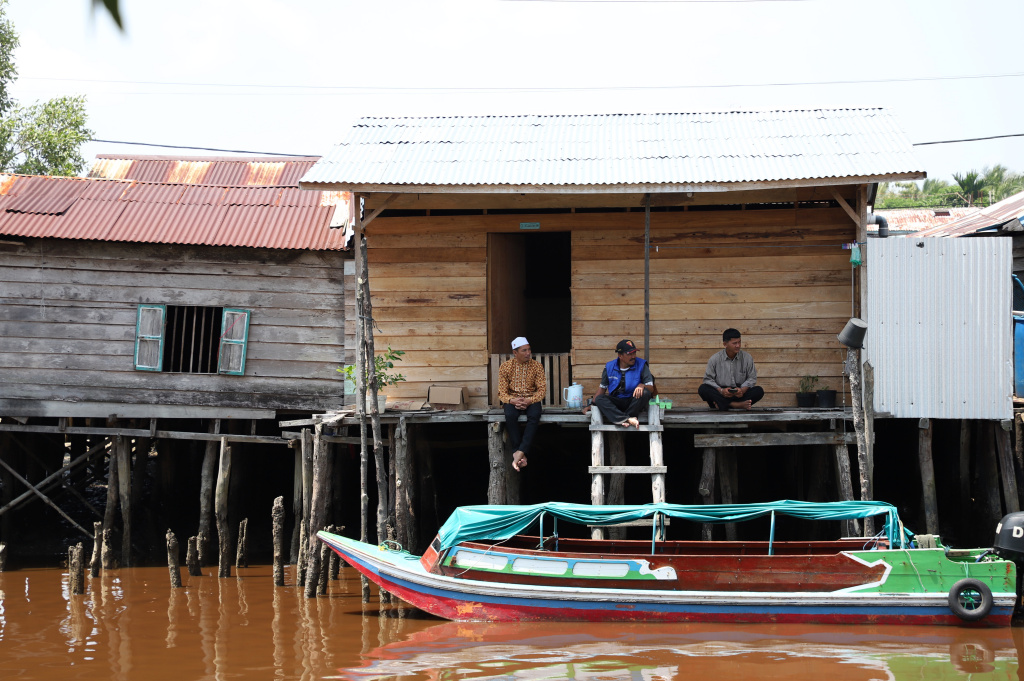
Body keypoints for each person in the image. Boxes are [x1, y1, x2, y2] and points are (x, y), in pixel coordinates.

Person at [497, 337, 545, 472]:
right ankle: (519, 451)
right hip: (513, 399)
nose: (528, 353)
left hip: (531, 399)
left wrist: (530, 400)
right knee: (510, 415)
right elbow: (502, 392)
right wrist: (512, 400)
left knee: (535, 415)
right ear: (515, 352)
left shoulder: (537, 366)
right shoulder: (505, 367)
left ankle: (519, 451)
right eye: (524, 350)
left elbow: (541, 391)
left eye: (529, 349)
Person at [583, 339, 655, 428]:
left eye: (634, 353)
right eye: (629, 354)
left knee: (645, 392)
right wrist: (591, 405)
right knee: (600, 399)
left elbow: (651, 388)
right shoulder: (609, 366)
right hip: (617, 402)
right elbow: (602, 388)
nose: (633, 356)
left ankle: (622, 418)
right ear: (620, 355)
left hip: (633, 402)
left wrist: (643, 385)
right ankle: (627, 419)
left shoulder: (641, 364)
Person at [698, 328, 765, 410]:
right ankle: (736, 405)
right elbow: (708, 379)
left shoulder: (747, 358)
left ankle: (723, 405)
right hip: (721, 394)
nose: (738, 345)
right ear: (725, 344)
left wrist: (742, 390)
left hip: (739, 395)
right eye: (734, 343)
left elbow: (752, 378)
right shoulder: (715, 359)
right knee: (703, 389)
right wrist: (721, 391)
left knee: (759, 391)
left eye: (739, 342)